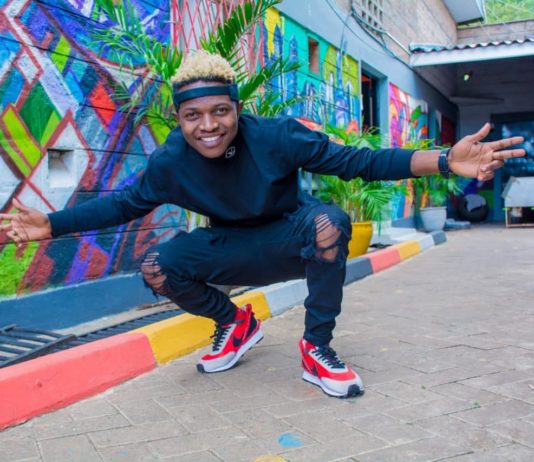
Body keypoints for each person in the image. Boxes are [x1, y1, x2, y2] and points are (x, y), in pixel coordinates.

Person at [0, 51, 525, 398]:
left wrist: (443, 159)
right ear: (178, 118)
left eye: (220, 111)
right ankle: (235, 324)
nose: (208, 126)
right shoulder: (170, 163)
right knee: (158, 266)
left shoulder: (276, 136)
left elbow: (358, 162)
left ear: (237, 108)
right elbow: (122, 206)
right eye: (193, 116)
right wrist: (51, 224)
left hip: (289, 236)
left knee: (330, 221)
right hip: (229, 246)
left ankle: (316, 348)